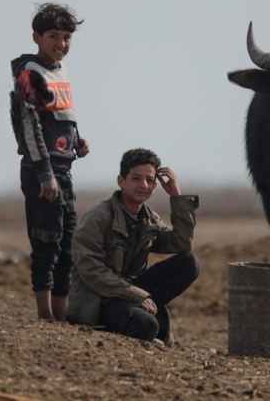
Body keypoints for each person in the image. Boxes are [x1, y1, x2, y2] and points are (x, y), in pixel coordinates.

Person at [65, 148, 200, 345]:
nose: (143, 185)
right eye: (136, 178)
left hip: (127, 294)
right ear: (121, 181)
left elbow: (182, 243)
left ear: (155, 186)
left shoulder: (148, 220)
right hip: (98, 300)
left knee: (189, 263)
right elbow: (91, 271)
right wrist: (136, 295)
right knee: (148, 327)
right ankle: (135, 318)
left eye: (149, 180)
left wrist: (177, 197)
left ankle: (141, 312)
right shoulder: (98, 218)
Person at [9, 3, 90, 321]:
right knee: (46, 243)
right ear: (36, 37)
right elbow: (28, 126)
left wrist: (77, 141)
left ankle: (61, 315)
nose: (61, 43)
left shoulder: (60, 70)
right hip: (42, 173)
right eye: (54, 36)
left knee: (67, 245)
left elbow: (61, 115)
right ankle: (45, 315)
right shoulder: (29, 74)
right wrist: (44, 173)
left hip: (63, 171)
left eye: (67, 37)